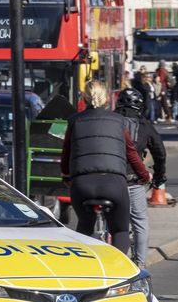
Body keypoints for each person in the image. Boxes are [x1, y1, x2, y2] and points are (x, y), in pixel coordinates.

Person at [61, 80, 151, 254]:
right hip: (114, 184)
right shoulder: (119, 121)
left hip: (82, 184)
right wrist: (144, 175)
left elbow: (66, 152)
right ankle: (119, 267)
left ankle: (85, 264)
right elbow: (131, 153)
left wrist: (65, 175)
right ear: (108, 98)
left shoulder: (74, 121)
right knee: (120, 230)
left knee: (85, 225)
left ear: (84, 98)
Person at [115, 88, 166, 268]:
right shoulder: (144, 125)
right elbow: (160, 152)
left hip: (108, 178)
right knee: (140, 221)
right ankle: (140, 264)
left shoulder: (110, 120)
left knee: (110, 219)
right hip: (132, 179)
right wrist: (159, 176)